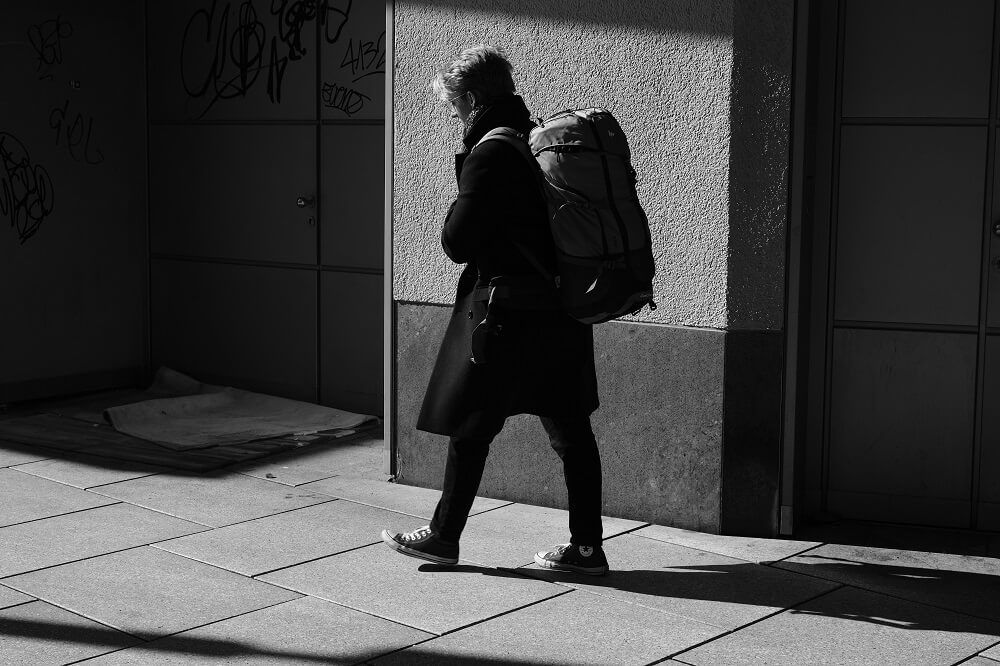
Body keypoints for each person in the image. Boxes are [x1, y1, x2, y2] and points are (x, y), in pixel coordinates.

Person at [381, 45, 607, 576]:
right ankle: (587, 549)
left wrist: (464, 185)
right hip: (561, 311)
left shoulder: (491, 153)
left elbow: (458, 242)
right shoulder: (539, 142)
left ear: (474, 98)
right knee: (572, 433)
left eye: (455, 107)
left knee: (472, 426)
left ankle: (443, 537)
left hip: (506, 315)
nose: (454, 117)